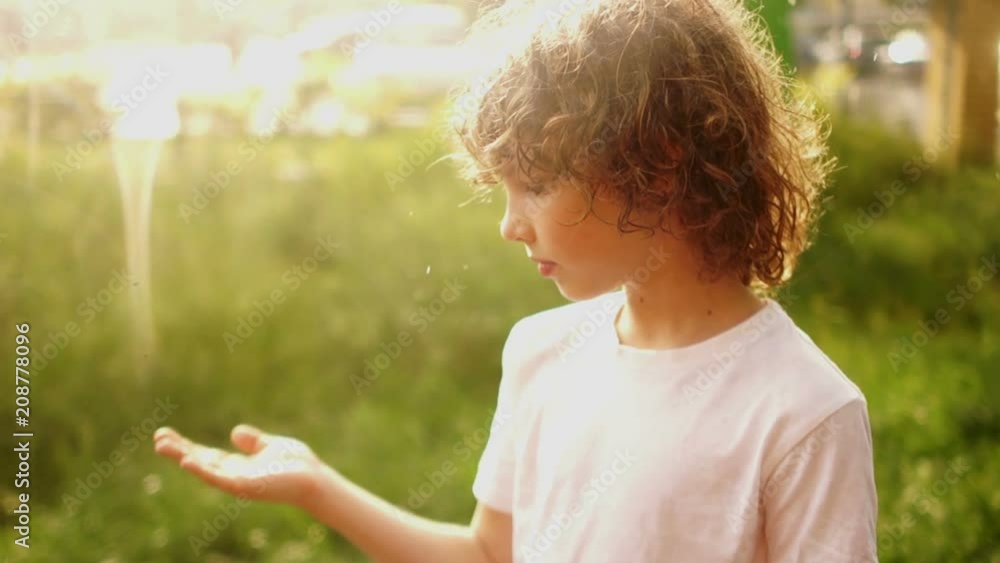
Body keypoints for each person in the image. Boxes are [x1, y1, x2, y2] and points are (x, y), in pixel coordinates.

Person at [154, 0, 878, 561]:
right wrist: (319, 487)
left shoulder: (804, 415)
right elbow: (490, 552)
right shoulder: (541, 351)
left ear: (654, 163)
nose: (509, 224)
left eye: (533, 184)